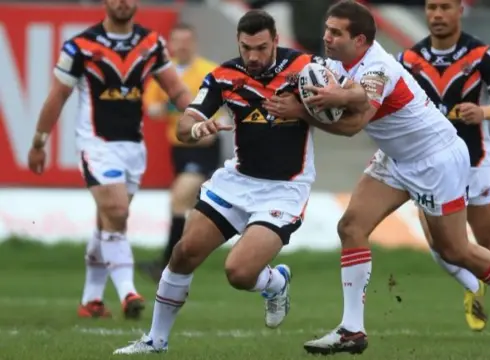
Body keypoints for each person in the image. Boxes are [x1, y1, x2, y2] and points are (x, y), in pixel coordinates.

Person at [265, 0, 490, 354]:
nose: (327, 38)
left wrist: (303, 113)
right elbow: (321, 83)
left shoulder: (379, 68)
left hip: (436, 159)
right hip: (397, 157)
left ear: (362, 41)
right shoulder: (336, 61)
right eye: (327, 30)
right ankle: (351, 330)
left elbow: (353, 125)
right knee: (351, 227)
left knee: (454, 249)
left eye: (336, 33)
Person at [113, 10, 335, 354]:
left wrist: (302, 111)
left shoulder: (308, 68)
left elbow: (345, 109)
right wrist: (198, 128)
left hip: (284, 188)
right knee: (184, 253)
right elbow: (187, 122)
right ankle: (155, 341)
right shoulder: (224, 76)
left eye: (261, 47)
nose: (254, 56)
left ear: (276, 40)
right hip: (237, 181)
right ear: (239, 43)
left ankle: (275, 283)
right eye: (247, 48)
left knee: (239, 273)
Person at [27, 0, 193, 320]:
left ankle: (91, 300)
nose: (122, 2)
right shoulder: (80, 47)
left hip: (133, 147)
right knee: (117, 212)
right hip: (97, 145)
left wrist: (197, 115)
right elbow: (56, 97)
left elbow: (175, 89)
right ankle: (128, 291)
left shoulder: (151, 43)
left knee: (107, 222)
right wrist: (38, 142)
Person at [397, 0, 490, 341]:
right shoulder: (408, 59)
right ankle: (472, 287)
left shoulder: (482, 54)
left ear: (459, 10)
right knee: (441, 244)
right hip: (431, 166)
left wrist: (487, 112)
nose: (437, 15)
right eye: (431, 7)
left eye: (445, 7)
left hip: (475, 162)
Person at [139, 23, 224, 282]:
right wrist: (175, 108)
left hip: (201, 148)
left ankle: (168, 263)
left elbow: (213, 120)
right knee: (188, 205)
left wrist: (174, 110)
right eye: (177, 41)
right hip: (178, 148)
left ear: (194, 43)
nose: (183, 45)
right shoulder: (164, 73)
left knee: (179, 199)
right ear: (170, 45)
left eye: (187, 40)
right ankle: (178, 259)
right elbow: (152, 108)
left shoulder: (207, 71)